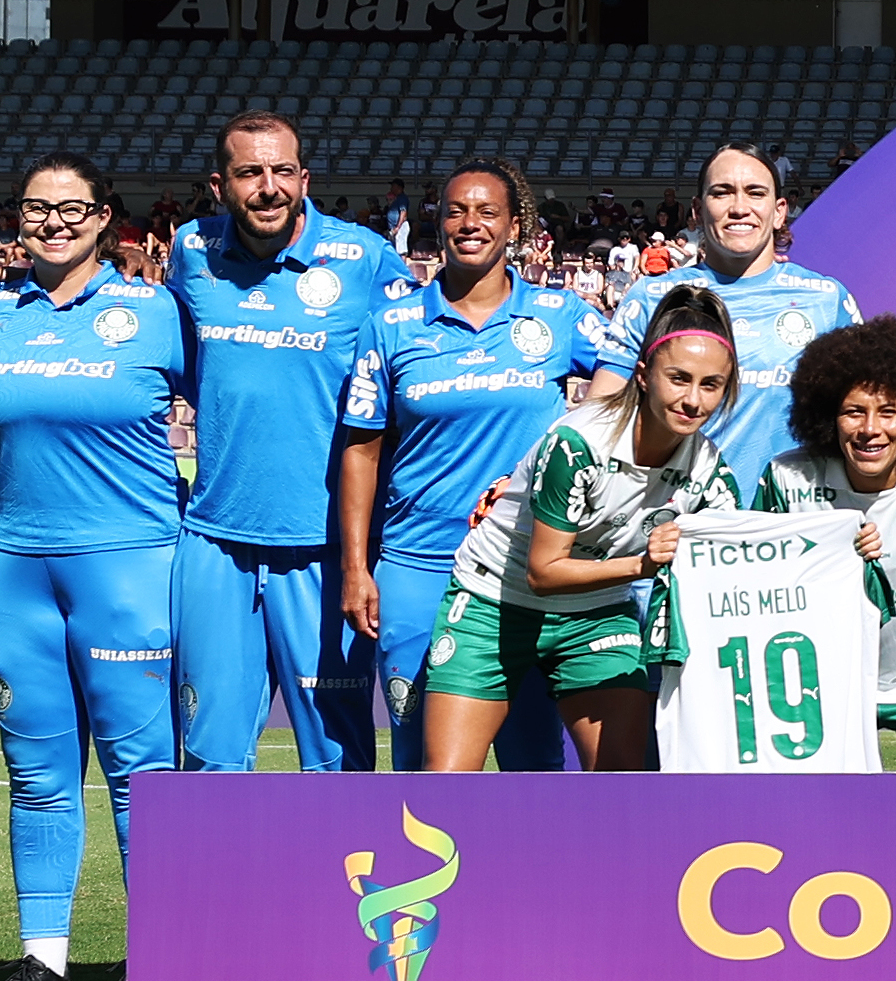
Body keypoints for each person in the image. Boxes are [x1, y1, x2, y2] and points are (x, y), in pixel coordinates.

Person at [0, 154, 184, 981]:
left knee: (140, 773)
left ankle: (156, 950)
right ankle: (42, 960)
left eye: (72, 207)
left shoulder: (156, 312)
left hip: (128, 567)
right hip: (12, 569)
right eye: (36, 207)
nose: (52, 222)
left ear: (105, 217)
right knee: (35, 770)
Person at [333, 161, 591, 775]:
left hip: (523, 569)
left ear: (515, 226)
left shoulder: (558, 315)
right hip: (418, 565)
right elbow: (361, 451)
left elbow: (631, 378)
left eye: (487, 212)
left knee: (533, 760)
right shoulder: (392, 324)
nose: (469, 224)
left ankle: (531, 875)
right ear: (437, 221)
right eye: (455, 210)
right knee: (424, 762)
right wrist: (354, 568)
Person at [421, 284, 740, 775]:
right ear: (643, 375)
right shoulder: (578, 444)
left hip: (595, 611)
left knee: (623, 782)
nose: (693, 400)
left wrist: (852, 542)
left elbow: (746, 553)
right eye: (678, 378)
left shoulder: (709, 469)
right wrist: (642, 564)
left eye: (710, 385)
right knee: (447, 782)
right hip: (493, 602)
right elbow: (543, 573)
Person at [167, 112, 397, 774]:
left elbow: (405, 387)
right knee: (208, 759)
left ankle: (342, 883)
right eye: (248, 173)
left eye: (281, 171)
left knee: (337, 760)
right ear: (220, 185)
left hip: (325, 552)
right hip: (216, 544)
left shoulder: (364, 260)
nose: (267, 187)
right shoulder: (191, 252)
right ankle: (214, 883)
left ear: (304, 178)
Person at [756, 317, 896, 769]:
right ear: (826, 415)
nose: (869, 429)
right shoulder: (787, 478)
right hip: (822, 686)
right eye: (853, 411)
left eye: (888, 411)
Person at [595, 142, 860, 475]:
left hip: (791, 518)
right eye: (722, 193)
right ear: (697, 210)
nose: (739, 208)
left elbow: (862, 415)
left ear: (779, 211)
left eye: (755, 193)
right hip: (675, 518)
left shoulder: (827, 299)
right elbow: (599, 418)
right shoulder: (652, 296)